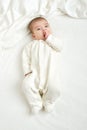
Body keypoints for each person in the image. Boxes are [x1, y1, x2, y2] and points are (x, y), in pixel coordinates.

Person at [22, 16, 62, 114]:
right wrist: (27, 71)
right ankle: (35, 103)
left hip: (50, 74)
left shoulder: (52, 43)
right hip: (34, 74)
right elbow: (25, 58)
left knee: (55, 88)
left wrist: (49, 38)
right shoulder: (30, 45)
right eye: (38, 29)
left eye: (46, 26)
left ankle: (48, 101)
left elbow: (60, 47)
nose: (44, 30)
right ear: (34, 35)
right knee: (26, 85)